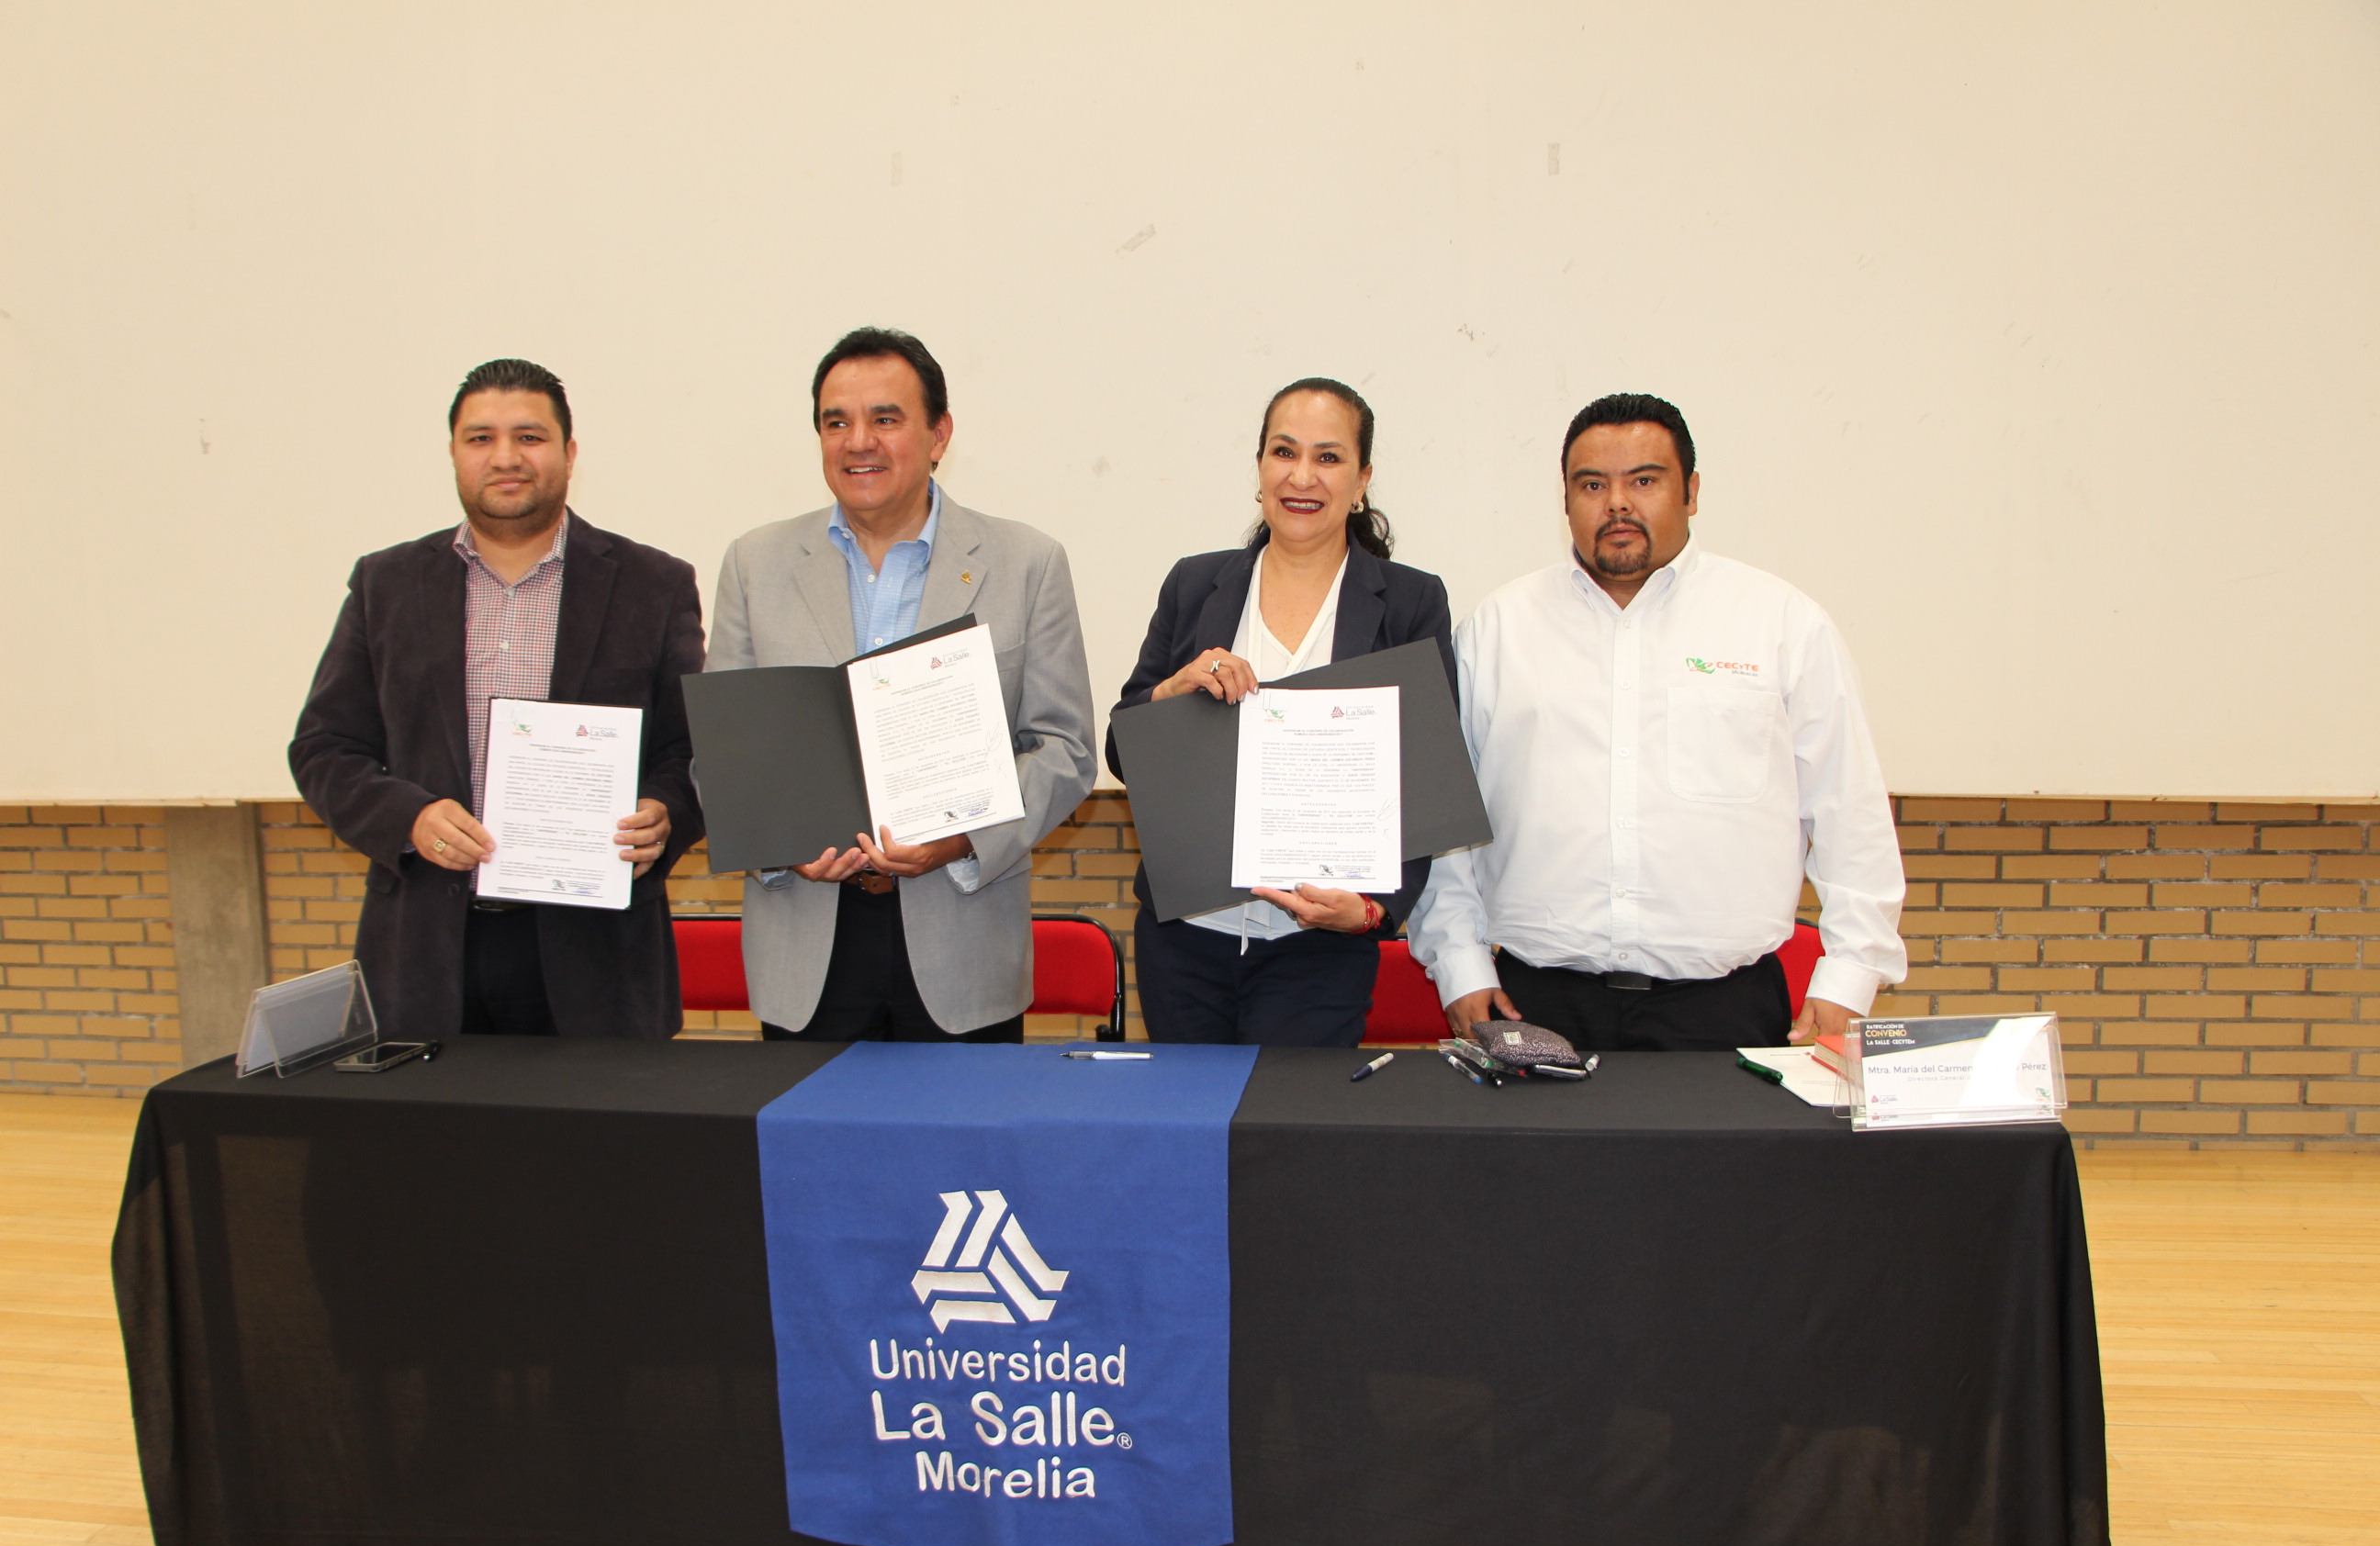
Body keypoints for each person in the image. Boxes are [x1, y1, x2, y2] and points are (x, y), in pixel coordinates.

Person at [1408, 392, 1904, 1052]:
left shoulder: (1781, 624)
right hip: (1535, 1001)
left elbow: (1849, 812)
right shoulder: (1498, 631)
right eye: (1592, 484)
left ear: (1691, 492)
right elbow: (1446, 823)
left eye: (1644, 480)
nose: (1617, 503)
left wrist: (1849, 976)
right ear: (1564, 501)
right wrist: (1458, 963)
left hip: (1725, 1010)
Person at [289, 359, 705, 1037]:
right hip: (426, 949)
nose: (505, 457)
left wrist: (666, 812)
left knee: (595, 1144)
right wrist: (410, 819)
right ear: (454, 453)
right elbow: (325, 748)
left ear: (569, 453)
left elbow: (691, 749)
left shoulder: (650, 584)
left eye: (529, 437)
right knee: (436, 1146)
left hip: (595, 954)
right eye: (480, 438)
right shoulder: (386, 584)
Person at [707, 327, 1095, 1042]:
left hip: (962, 942)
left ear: (938, 434)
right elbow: (724, 756)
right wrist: (780, 843)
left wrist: (959, 842)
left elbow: (1065, 750)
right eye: (836, 422)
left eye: (885, 419)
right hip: (806, 941)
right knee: (812, 1156)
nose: (859, 441)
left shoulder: (1027, 562)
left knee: (964, 1155)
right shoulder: (755, 564)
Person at [1109, 378, 1455, 1046]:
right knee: (1190, 1135)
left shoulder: (1411, 602)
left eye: (1328, 458)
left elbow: (1430, 778)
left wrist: (1372, 912)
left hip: (1317, 945)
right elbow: (1124, 754)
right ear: (1260, 468)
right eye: (1283, 452)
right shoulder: (1194, 584)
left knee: (1292, 1139)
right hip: (1185, 941)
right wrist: (1168, 696)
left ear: (1363, 481)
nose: (1302, 476)